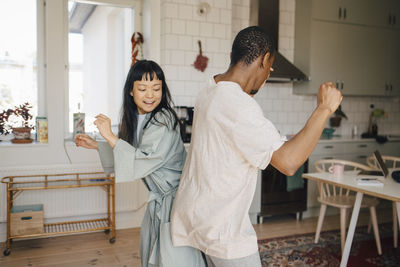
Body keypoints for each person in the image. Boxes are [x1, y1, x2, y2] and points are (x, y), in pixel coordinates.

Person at [170, 26, 342, 267]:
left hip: (196, 216)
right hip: (223, 230)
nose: (268, 74)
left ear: (232, 56)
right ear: (263, 61)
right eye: (270, 68)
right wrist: (324, 109)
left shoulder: (210, 89)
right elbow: (289, 162)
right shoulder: (238, 105)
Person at [75, 60, 206, 267]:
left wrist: (109, 135)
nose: (151, 95)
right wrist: (98, 144)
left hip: (176, 200)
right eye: (143, 89)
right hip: (161, 202)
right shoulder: (139, 118)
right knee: (156, 252)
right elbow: (132, 151)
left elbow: (144, 159)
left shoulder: (163, 120)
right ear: (131, 91)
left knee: (177, 258)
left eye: (156, 88)